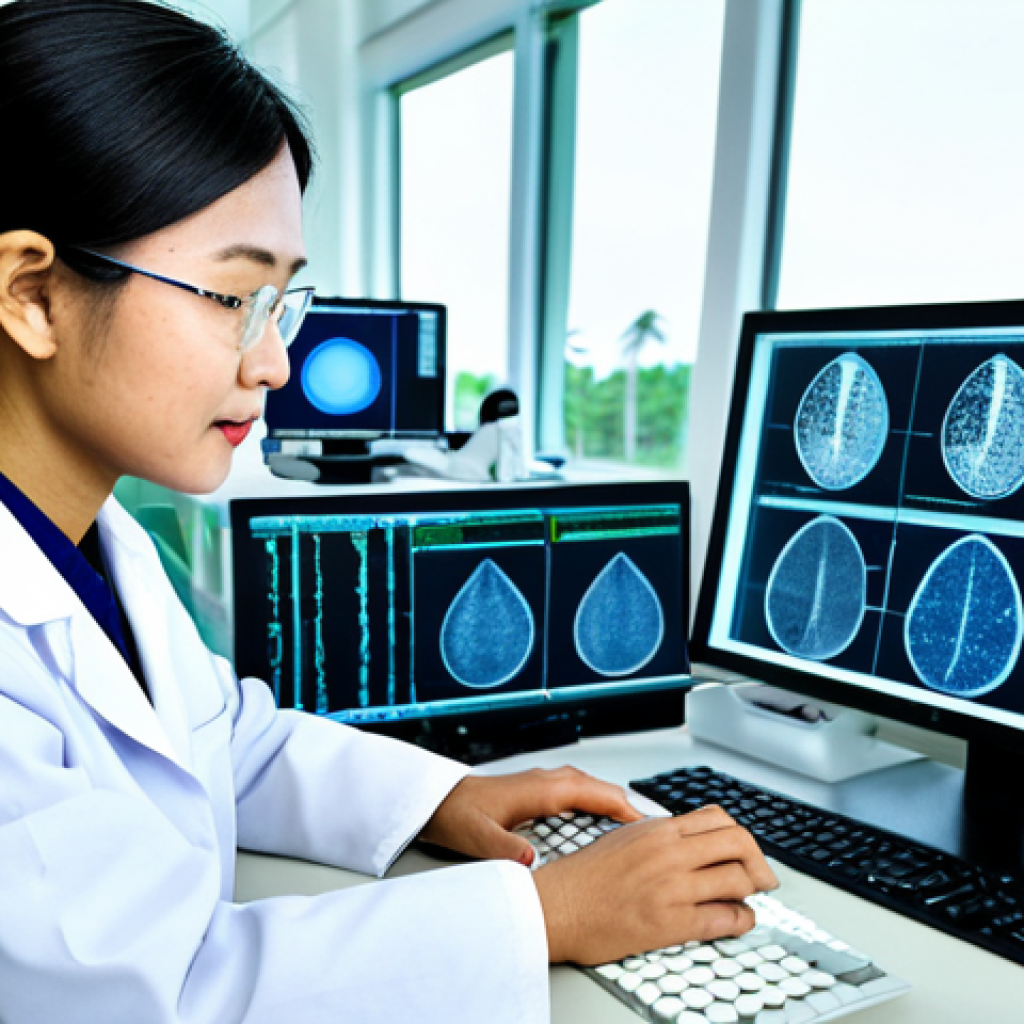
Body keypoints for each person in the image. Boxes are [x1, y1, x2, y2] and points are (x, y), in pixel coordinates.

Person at [0, 1, 778, 1021]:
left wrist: (445, 796)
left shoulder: (94, 541)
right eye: (233, 297)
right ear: (33, 294)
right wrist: (541, 915)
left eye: (284, 302)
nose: (273, 361)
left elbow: (223, 737)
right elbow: (162, 992)